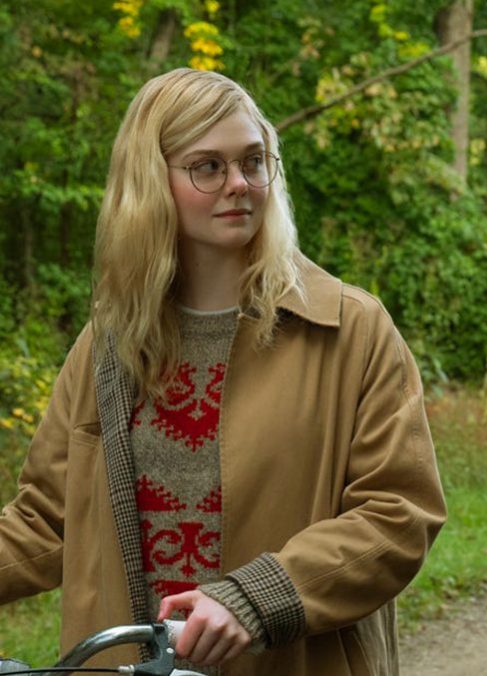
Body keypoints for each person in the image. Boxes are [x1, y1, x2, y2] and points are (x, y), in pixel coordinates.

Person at [0, 68, 446, 675]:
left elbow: (399, 514)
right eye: (208, 166)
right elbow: (47, 522)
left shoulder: (350, 329)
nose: (239, 183)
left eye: (253, 162)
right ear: (150, 180)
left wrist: (254, 599)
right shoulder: (110, 344)